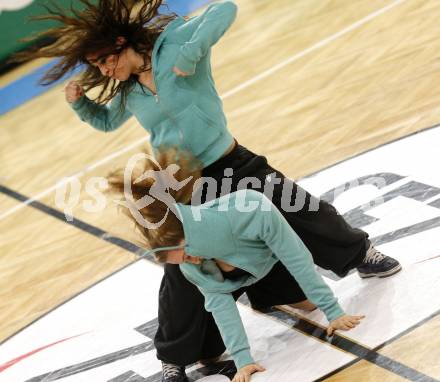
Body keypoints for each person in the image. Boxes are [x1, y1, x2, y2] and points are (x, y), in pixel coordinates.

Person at [16, 1, 400, 380]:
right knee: (183, 269)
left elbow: (225, 9)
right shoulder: (128, 91)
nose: (105, 70)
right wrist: (81, 105)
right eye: (98, 67)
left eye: (105, 60)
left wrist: (194, 50)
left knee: (295, 205)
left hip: (230, 159)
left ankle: (361, 254)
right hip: (184, 182)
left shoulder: (173, 44)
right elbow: (105, 122)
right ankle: (176, 357)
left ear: (121, 42)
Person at [106, 149, 365, 382]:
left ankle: (269, 296)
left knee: (309, 304)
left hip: (264, 260)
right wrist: (244, 360)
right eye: (184, 259)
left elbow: (297, 259)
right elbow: (221, 305)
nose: (191, 260)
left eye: (186, 253)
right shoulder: (189, 264)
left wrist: (333, 311)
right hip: (231, 273)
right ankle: (172, 357)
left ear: (190, 233)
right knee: (209, 354)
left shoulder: (253, 209)